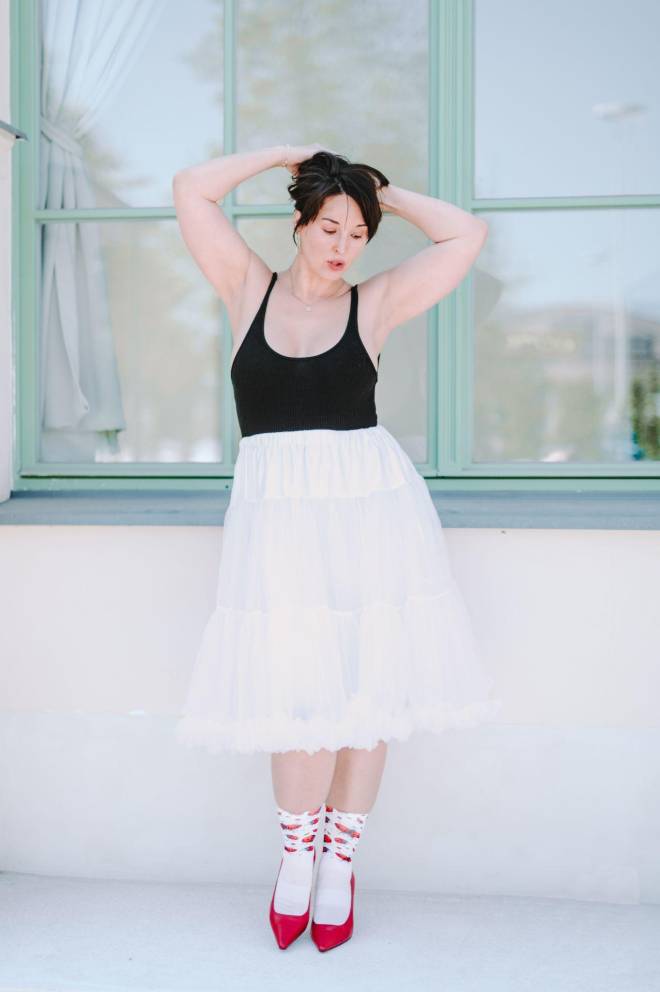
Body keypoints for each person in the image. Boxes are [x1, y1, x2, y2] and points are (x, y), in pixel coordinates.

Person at [172, 144, 501, 952]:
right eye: (329, 227)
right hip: (279, 522)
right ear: (299, 222)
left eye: (358, 232)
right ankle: (296, 854)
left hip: (369, 512)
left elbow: (465, 235)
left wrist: (379, 191)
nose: (343, 245)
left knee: (368, 684)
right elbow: (191, 190)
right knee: (299, 693)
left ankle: (340, 861)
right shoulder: (246, 289)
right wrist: (286, 157)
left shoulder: (374, 304)